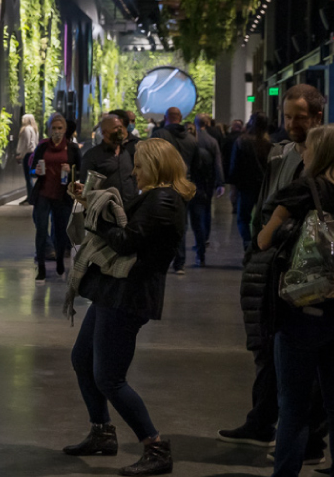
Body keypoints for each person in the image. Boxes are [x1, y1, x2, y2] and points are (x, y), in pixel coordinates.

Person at [62, 138, 194, 476]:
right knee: (82, 359)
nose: (133, 172)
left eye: (139, 165)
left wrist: (95, 219)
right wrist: (89, 200)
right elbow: (127, 223)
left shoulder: (164, 199)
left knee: (109, 377)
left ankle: (155, 446)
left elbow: (125, 241)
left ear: (156, 166)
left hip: (129, 296)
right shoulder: (157, 196)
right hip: (115, 292)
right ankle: (102, 431)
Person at [257, 124, 334, 477]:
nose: (303, 152)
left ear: (318, 153)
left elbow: (264, 240)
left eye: (307, 147)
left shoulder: (303, 190)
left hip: (303, 310)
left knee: (293, 405)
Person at [220, 85, 328, 453]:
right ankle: (261, 420)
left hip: (305, 269)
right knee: (266, 346)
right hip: (269, 265)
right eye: (287, 116)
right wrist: (257, 247)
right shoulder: (281, 155)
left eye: (299, 117)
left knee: (302, 358)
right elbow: (265, 207)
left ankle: (308, 438)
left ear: (317, 116)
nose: (292, 123)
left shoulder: (329, 158)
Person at [27, 113, 81, 283]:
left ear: (65, 130)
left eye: (60, 128)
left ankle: (59, 261)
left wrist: (70, 170)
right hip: (43, 193)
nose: (57, 131)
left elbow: (80, 170)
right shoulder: (43, 147)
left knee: (60, 230)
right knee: (41, 230)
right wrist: (35, 171)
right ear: (48, 129)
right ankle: (41, 267)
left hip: (62, 195)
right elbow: (31, 168)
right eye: (54, 128)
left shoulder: (72, 149)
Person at [152, 107, 198, 274]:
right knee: (181, 224)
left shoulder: (159, 136)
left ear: (166, 117)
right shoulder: (192, 140)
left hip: (162, 185)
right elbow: (197, 165)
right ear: (180, 117)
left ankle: (161, 260)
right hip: (184, 186)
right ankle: (180, 262)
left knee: (159, 224)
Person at [230, 113, 273, 250]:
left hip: (245, 186)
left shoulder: (242, 141)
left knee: (243, 218)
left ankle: (247, 243)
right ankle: (259, 244)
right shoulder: (270, 143)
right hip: (264, 187)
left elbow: (235, 166)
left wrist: (233, 188)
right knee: (261, 218)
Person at [78, 113, 138, 205]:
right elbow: (86, 187)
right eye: (115, 128)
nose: (120, 131)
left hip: (129, 208)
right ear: (104, 132)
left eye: (120, 127)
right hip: (105, 210)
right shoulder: (92, 156)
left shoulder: (125, 152)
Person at [190, 114, 226, 266]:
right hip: (208, 181)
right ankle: (205, 238)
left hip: (193, 181)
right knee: (206, 209)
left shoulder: (191, 140)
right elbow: (218, 163)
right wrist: (220, 182)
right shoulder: (212, 141)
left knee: (196, 215)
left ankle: (200, 244)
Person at [15, 114, 40, 204]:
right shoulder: (34, 129)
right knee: (30, 176)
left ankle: (31, 197)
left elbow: (26, 143)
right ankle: (31, 196)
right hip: (33, 154)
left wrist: (21, 154)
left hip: (27, 155)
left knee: (28, 177)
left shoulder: (26, 129)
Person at [222, 119, 244, 212]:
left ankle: (234, 206)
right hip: (242, 168)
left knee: (233, 189)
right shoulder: (244, 138)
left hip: (230, 167)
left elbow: (223, 152)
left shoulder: (228, 138)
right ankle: (239, 205)